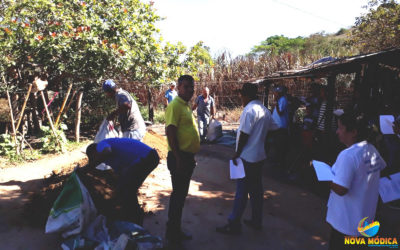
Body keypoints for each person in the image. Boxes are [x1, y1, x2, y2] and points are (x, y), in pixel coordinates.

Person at [216, 83, 278, 235]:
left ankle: (234, 223)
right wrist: (263, 143)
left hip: (247, 158)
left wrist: (237, 153)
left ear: (246, 95)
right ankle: (256, 220)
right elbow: (274, 129)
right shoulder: (264, 110)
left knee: (241, 192)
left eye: (241, 95)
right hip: (259, 156)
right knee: (256, 191)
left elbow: (244, 134)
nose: (240, 98)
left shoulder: (249, 110)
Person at [326, 112, 386, 250]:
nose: (337, 131)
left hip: (345, 223)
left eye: (340, 128)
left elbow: (341, 189)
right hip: (364, 220)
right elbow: (381, 166)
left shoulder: (348, 155)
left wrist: (327, 178)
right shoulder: (371, 149)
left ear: (353, 132)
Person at [86, 138, 159, 226]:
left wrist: (89, 166)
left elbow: (107, 151)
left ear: (94, 152)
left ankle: (135, 220)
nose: (96, 161)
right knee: (126, 189)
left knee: (128, 190)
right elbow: (120, 172)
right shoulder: (108, 160)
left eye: (94, 158)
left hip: (147, 157)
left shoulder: (101, 145)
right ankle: (132, 216)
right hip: (149, 158)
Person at [165, 75, 200, 248]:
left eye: (191, 87)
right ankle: (172, 235)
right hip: (178, 158)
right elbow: (170, 132)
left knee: (181, 195)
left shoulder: (186, 106)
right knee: (178, 196)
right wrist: (179, 159)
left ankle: (175, 230)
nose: (189, 90)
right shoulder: (175, 106)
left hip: (186, 157)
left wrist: (191, 155)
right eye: (186, 87)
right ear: (178, 87)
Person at [271, 85, 289, 172]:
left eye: (275, 92)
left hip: (281, 128)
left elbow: (280, 113)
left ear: (279, 93)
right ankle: (277, 163)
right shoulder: (278, 100)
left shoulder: (283, 100)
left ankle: (281, 165)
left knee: (280, 147)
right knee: (277, 146)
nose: (274, 94)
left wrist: (276, 104)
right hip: (276, 127)